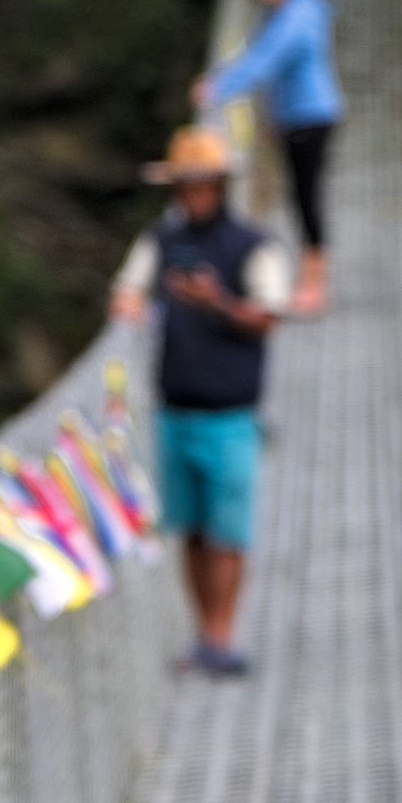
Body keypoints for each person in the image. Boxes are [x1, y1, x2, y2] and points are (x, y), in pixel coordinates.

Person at [110, 124, 290, 677]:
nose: (193, 193)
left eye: (202, 182)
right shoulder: (160, 243)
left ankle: (221, 634)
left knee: (228, 531)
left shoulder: (254, 247)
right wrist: (132, 311)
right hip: (173, 411)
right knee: (189, 528)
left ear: (219, 185)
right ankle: (205, 632)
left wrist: (217, 303)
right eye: (184, 184)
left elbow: (267, 317)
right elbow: (126, 294)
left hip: (231, 415)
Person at [193, 0, 342, 317]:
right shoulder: (279, 14)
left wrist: (218, 88)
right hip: (294, 118)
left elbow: (267, 59)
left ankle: (314, 284)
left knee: (306, 196)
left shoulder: (299, 13)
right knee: (300, 195)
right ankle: (311, 279)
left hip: (312, 116)